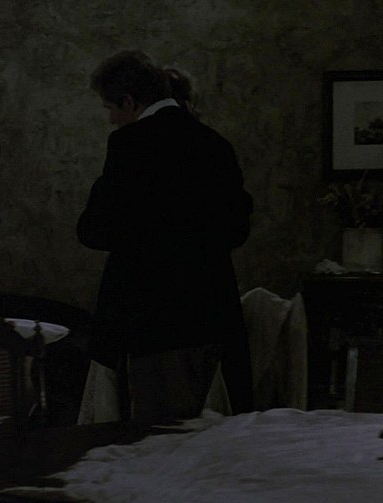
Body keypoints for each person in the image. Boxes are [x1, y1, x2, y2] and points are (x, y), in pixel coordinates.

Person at [77, 50, 254, 424]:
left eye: (111, 108)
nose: (111, 119)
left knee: (153, 434)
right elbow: (238, 229)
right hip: (211, 309)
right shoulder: (215, 144)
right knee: (210, 433)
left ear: (129, 101)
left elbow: (95, 229)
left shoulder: (130, 145)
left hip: (151, 315)